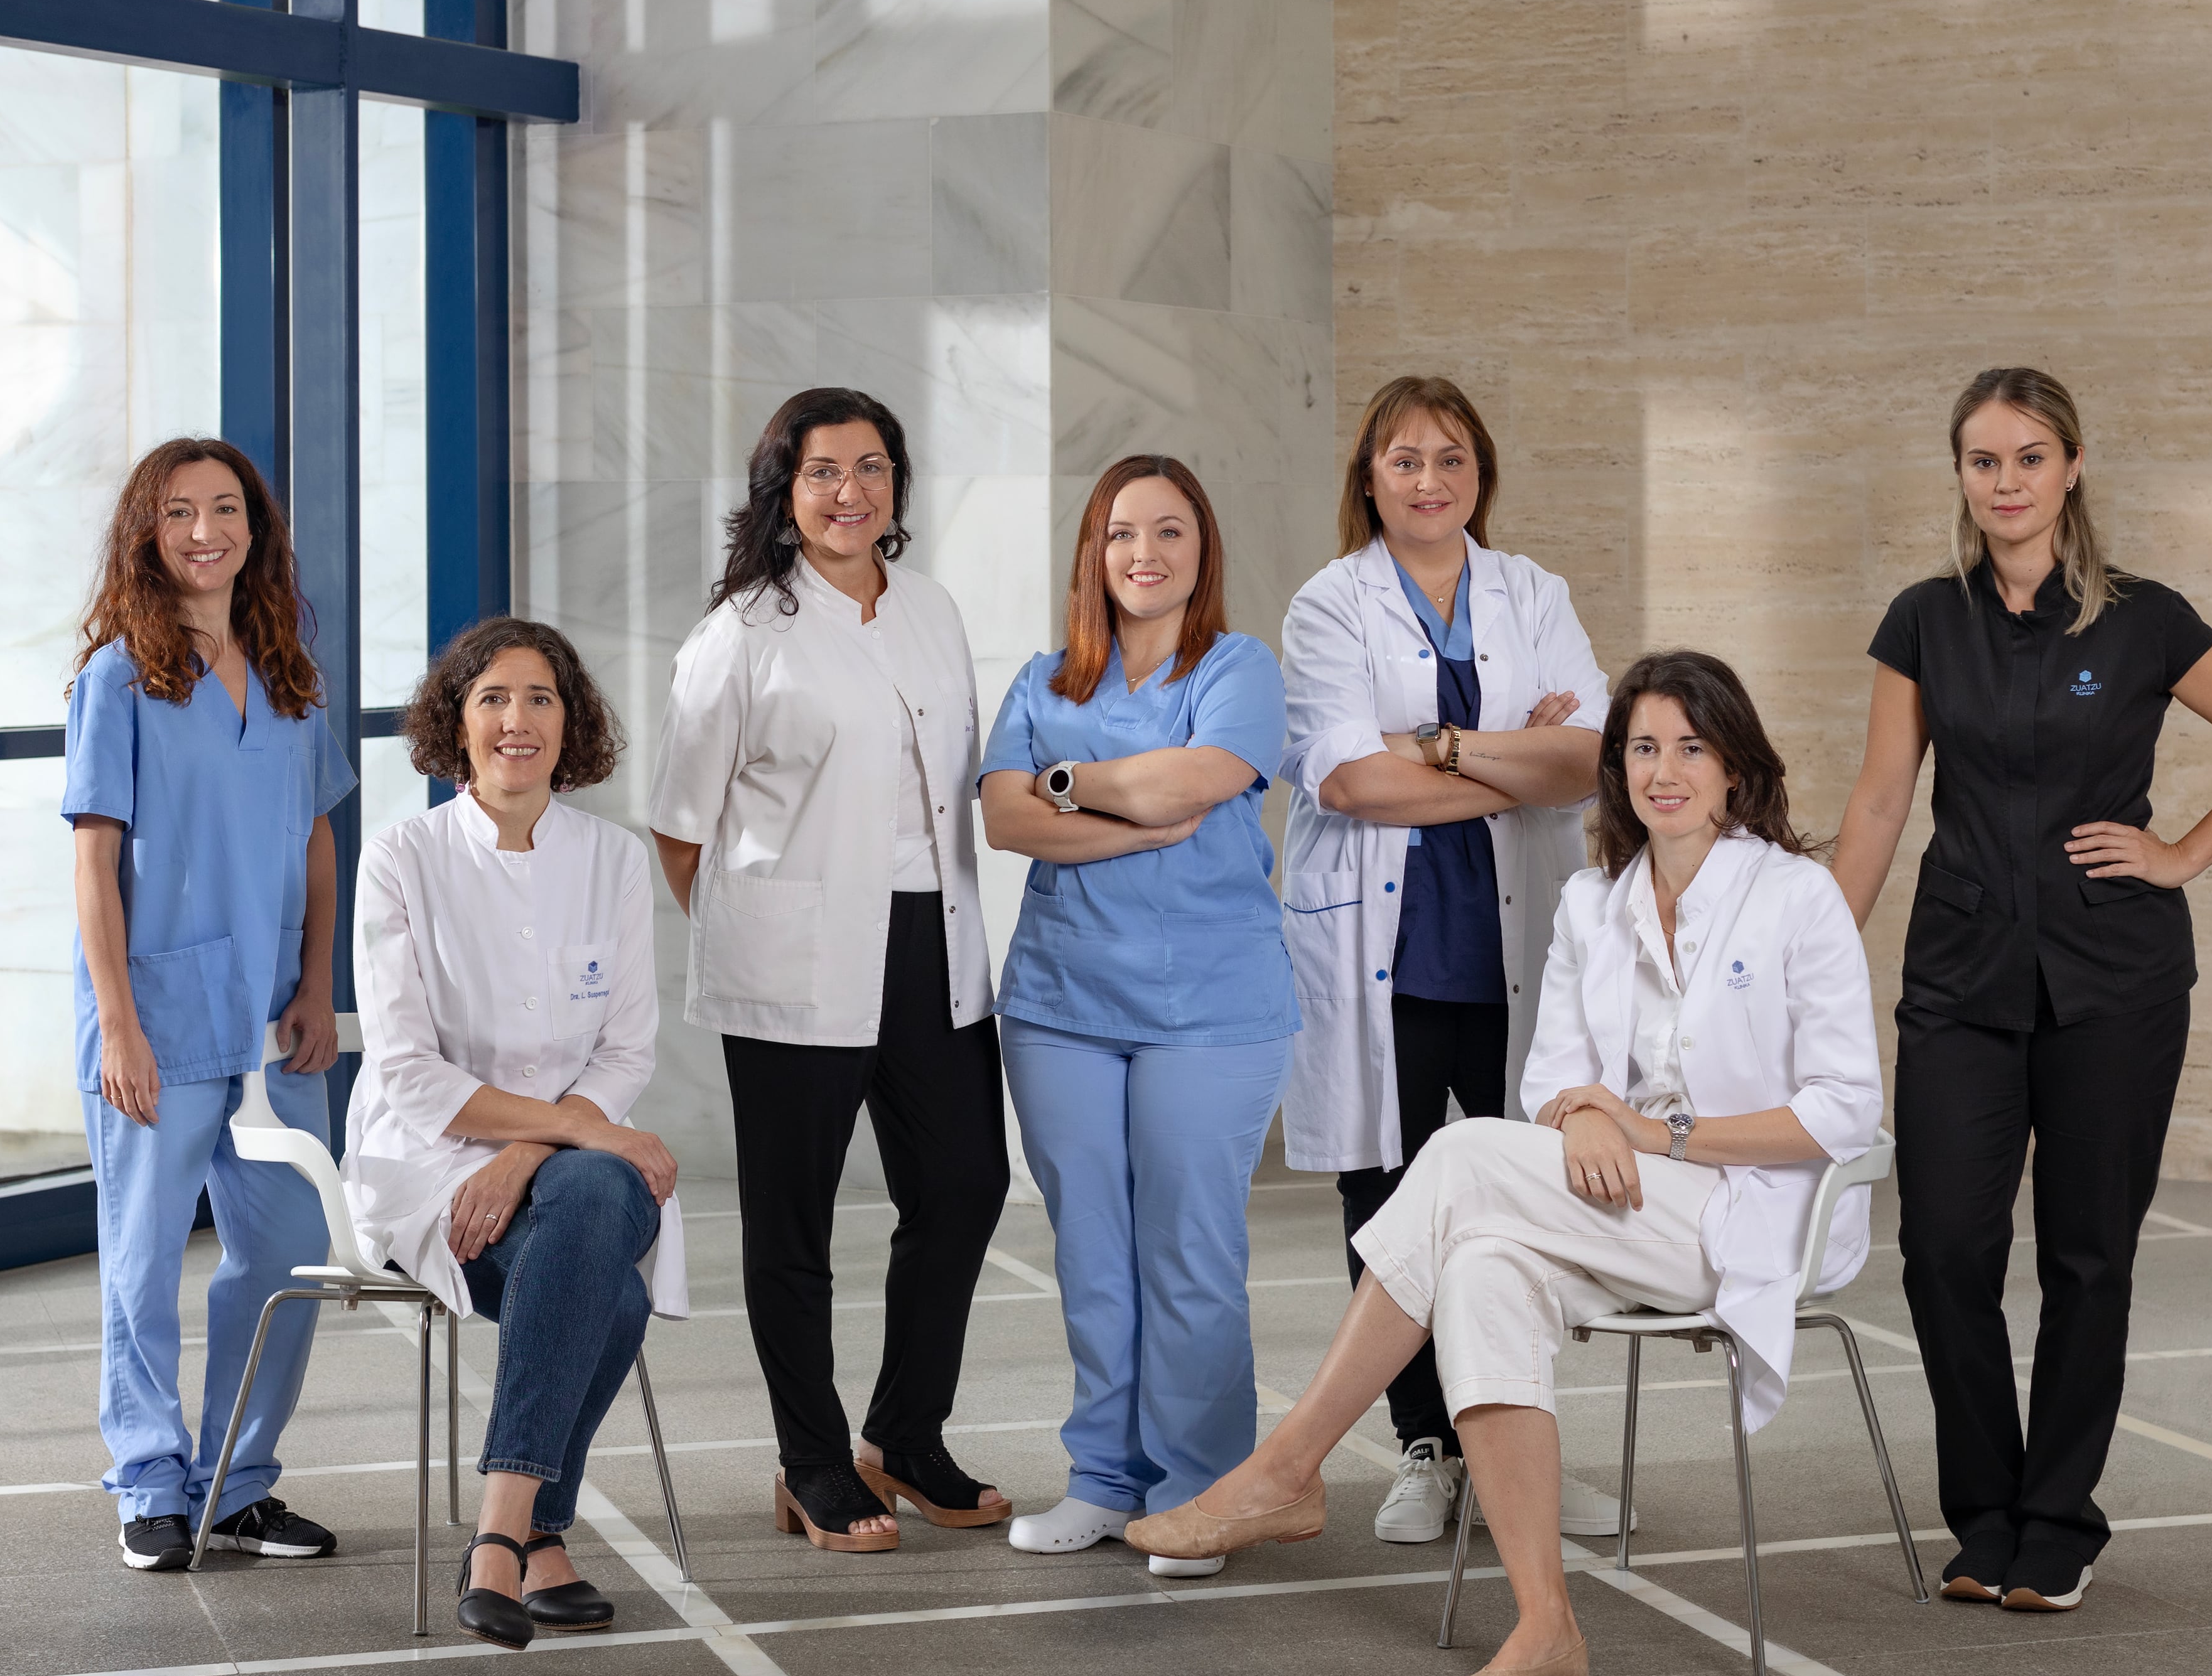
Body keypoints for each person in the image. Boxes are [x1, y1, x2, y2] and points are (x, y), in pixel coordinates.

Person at [1131, 651, 1884, 1676]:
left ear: (1735, 768)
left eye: (1691, 747)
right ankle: (1546, 1625)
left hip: (1751, 1207)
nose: (1664, 770)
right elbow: (1552, 1073)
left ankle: (1288, 1467)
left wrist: (1659, 1128)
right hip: (1619, 1197)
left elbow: (1846, 1105)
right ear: (1616, 768)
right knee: (1482, 1266)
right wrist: (1583, 1112)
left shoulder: (1796, 897)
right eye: (1640, 748)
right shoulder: (1593, 902)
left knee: (1460, 1155)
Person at [1834, 366, 2212, 1616]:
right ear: (1959, 475)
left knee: (2086, 1253)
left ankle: (2056, 1518)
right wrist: (1818, 947)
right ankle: (1982, 1511)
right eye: (1984, 460)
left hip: (2116, 981)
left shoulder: (2146, 620)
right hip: (1958, 976)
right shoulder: (1920, 622)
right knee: (1943, 1246)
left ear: (2072, 467)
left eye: (2029, 457)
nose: (2006, 482)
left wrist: (2180, 855)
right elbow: (1885, 799)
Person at [647, 387, 1014, 1553]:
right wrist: (756, 929)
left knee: (964, 1186)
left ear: (897, 484)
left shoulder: (935, 611)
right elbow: (679, 824)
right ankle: (812, 1460)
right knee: (794, 1225)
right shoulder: (741, 634)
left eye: (871, 467)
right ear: (784, 491)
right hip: (794, 958)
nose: (849, 491)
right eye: (823, 472)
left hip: (931, 940)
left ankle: (905, 1435)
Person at [1275, 374, 1612, 1546]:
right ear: (1369, 475)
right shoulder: (1328, 606)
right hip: (1390, 960)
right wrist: (1507, 760)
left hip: (1519, 949)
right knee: (1393, 1205)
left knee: (1527, 1208)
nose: (1430, 480)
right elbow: (1347, 780)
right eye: (1406, 459)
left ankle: (1516, 1451)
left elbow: (1588, 762)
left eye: (1452, 459)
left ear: (1483, 476)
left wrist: (1439, 747)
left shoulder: (1534, 592)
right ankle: (1424, 1446)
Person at [978, 456, 1298, 1580]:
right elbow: (1009, 818)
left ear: (1203, 549)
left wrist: (1073, 781)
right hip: (1062, 1004)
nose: (1144, 553)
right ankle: (1105, 1481)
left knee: (1190, 1248)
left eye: (1170, 531)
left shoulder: (1240, 667)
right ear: (1094, 552)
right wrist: (1100, 802)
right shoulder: (1043, 676)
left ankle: (1201, 1490)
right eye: (1122, 533)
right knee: (1094, 1251)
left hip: (1211, 1005)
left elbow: (1194, 784)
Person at [345, 618, 690, 1652]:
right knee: (611, 1276)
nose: (518, 720)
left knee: (590, 1198)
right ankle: (542, 1535)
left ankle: (499, 1534)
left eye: (541, 697)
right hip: (432, 1165)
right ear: (457, 721)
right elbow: (407, 1071)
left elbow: (626, 1049)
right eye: (493, 696)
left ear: (570, 720)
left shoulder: (613, 860)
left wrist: (531, 1148)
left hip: (557, 1163)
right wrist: (565, 1137)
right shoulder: (403, 858)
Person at [65, 438, 355, 1572]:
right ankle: (147, 1480)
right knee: (140, 1264)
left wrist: (321, 982)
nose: (204, 530)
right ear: (149, 530)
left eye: (225, 509)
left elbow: (320, 834)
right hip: (162, 1017)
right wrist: (121, 1021)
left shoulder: (287, 676)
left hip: (278, 1022)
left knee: (289, 1253)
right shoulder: (119, 680)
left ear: (255, 528)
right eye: (179, 511)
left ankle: (236, 1479)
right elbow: (96, 861)